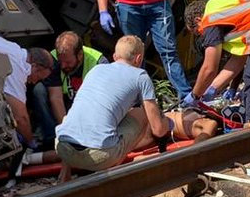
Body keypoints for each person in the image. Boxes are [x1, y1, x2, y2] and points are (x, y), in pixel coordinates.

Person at [54, 34, 172, 179]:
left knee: (71, 118)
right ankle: (114, 172)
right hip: (100, 156)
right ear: (138, 59)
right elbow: (158, 130)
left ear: (115, 56)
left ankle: (64, 174)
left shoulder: (96, 70)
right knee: (142, 114)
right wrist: (167, 123)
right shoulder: (140, 76)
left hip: (62, 148)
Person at [31, 31, 109, 145]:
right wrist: (66, 132)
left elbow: (103, 101)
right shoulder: (51, 60)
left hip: (88, 105)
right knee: (39, 90)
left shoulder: (98, 63)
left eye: (68, 62)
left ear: (80, 55)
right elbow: (55, 98)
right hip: (64, 102)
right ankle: (51, 138)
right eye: (60, 61)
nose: (63, 66)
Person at [0, 31, 55, 150]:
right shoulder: (19, 68)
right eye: (39, 78)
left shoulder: (14, 49)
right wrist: (31, 143)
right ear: (35, 66)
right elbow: (21, 118)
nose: (34, 82)